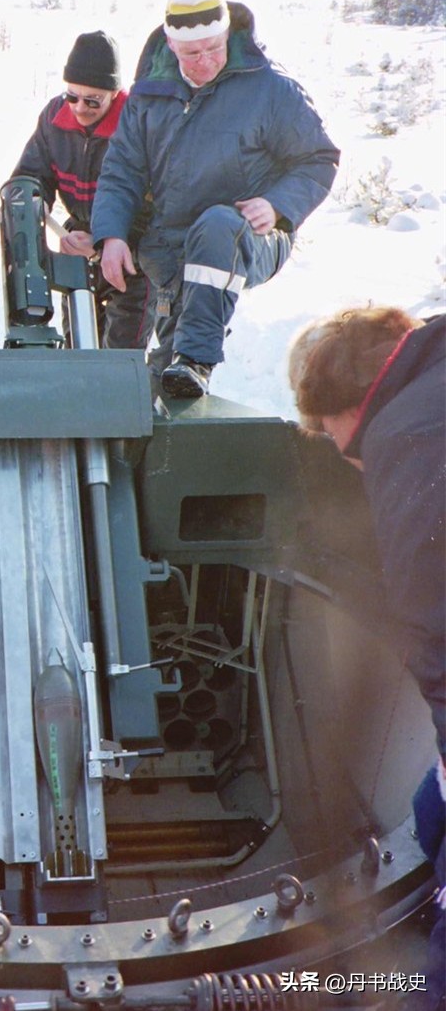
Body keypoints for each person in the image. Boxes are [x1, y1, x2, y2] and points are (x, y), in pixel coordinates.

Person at [288, 306, 445, 1009]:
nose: (339, 452)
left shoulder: (404, 438)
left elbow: (433, 614)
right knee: (428, 810)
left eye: (326, 433)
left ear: (347, 406)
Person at [91, 0, 340, 398]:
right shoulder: (148, 97)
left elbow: (319, 158)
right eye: (191, 53)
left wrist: (278, 204)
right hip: (174, 250)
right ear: (170, 45)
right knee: (162, 375)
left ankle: (197, 360)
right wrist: (110, 234)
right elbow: (122, 171)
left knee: (219, 224)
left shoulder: (272, 90)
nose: (204, 61)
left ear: (228, 36)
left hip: (253, 236)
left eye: (213, 48)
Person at [11, 30, 153, 350]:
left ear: (115, 94)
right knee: (78, 350)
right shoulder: (53, 118)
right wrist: (29, 201)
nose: (79, 107)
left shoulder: (137, 125)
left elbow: (155, 206)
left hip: (132, 256)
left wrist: (104, 243)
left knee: (120, 357)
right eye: (72, 96)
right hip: (77, 243)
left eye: (93, 100)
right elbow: (31, 174)